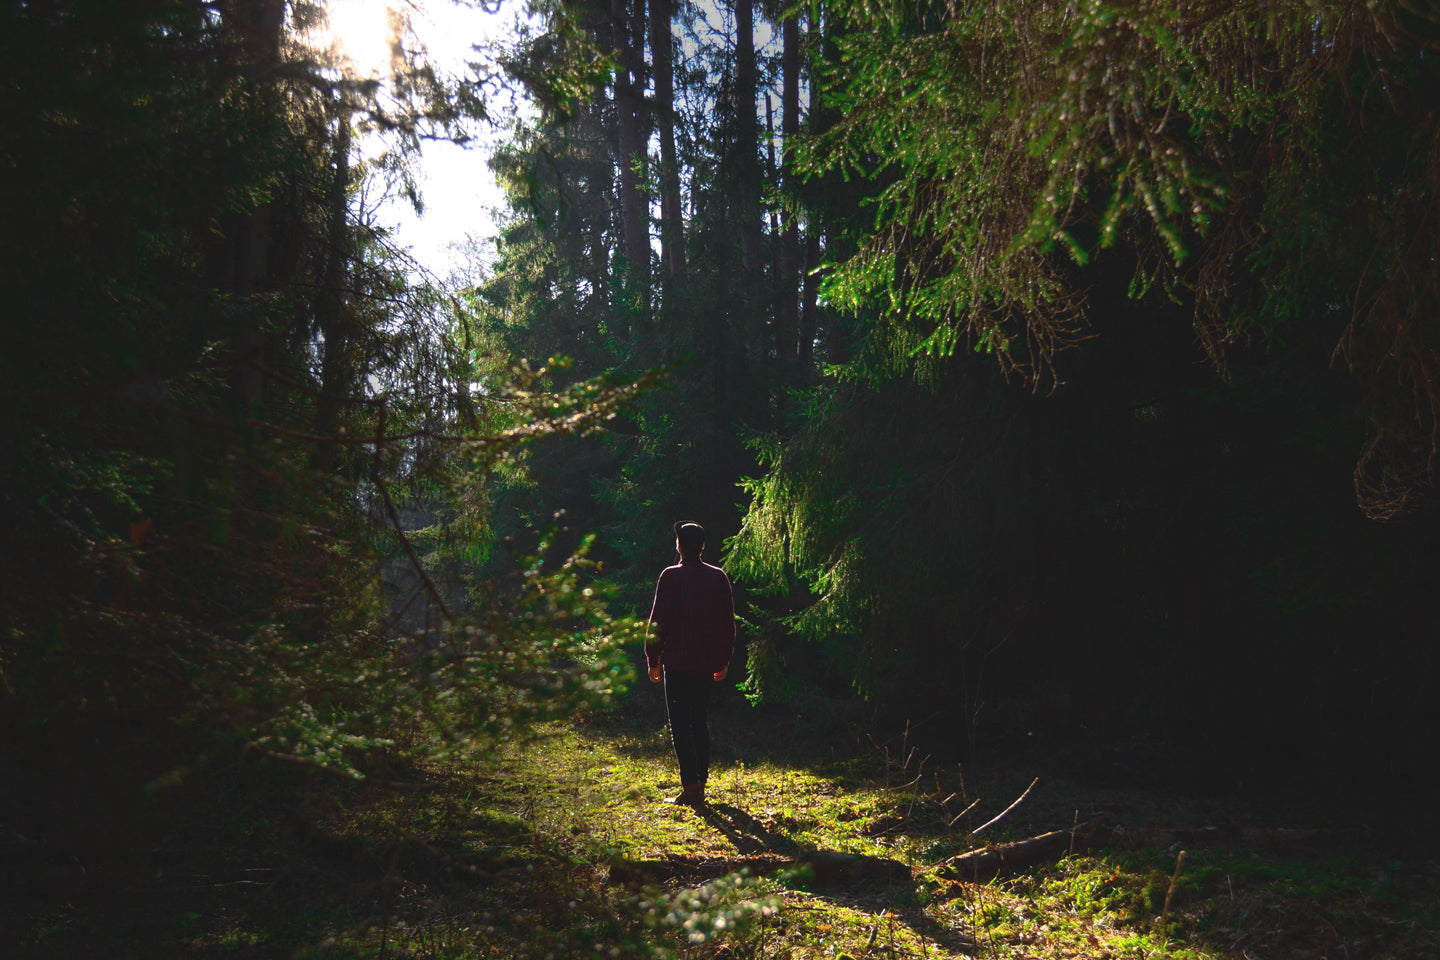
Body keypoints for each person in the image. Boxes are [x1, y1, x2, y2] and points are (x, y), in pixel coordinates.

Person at [646, 521, 735, 807]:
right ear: (704, 546)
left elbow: (657, 622)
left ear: (679, 546)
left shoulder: (670, 576)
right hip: (706, 663)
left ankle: (692, 787)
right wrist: (724, 660)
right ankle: (700, 784)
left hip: (677, 662)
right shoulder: (718, 577)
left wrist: (653, 658)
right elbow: (727, 625)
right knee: (699, 722)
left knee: (681, 724)